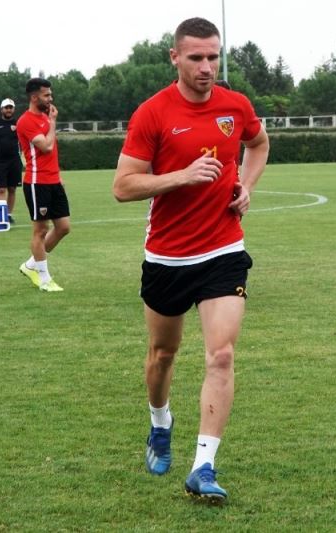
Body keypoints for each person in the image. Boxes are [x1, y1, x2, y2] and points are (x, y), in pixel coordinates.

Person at [113, 17, 269, 502]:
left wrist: (246, 186)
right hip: (167, 256)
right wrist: (181, 176)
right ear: (175, 57)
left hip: (223, 249)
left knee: (221, 354)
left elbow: (258, 143)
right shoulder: (152, 113)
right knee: (163, 354)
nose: (206, 67)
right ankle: (160, 422)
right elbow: (123, 186)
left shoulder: (235, 105)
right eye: (196, 57)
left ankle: (203, 466)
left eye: (213, 57)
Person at [15, 78, 71, 292]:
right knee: (40, 230)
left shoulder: (45, 118)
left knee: (63, 227)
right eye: (46, 95)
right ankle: (44, 278)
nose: (50, 98)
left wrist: (59, 176)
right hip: (37, 183)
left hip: (53, 181)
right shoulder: (26, 121)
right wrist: (53, 122)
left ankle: (31, 265)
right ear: (34, 97)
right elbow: (46, 146)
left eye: (50, 94)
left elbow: (52, 153)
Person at [0, 98, 22, 223]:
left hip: (15, 161)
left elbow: (23, 141)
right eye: (6, 108)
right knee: (1, 189)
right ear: (1, 109)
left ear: (14, 109)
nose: (8, 110)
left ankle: (8, 215)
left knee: (12, 189)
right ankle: (0, 216)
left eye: (10, 108)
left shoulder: (19, 123)